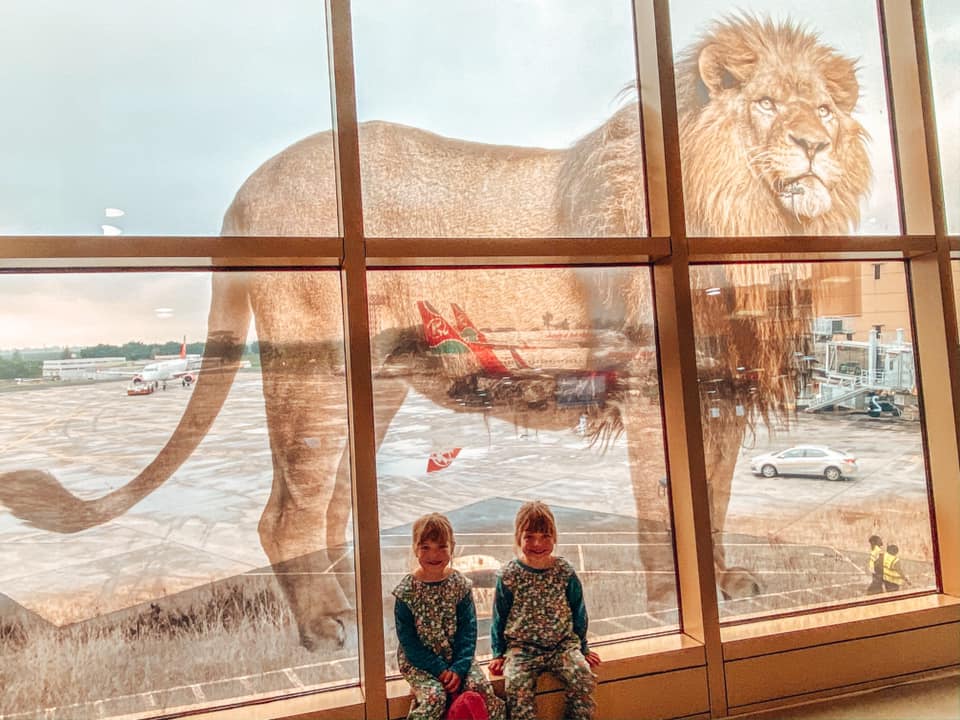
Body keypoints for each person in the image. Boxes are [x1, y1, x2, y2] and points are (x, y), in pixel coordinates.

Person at [489, 501, 601, 720]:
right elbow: (499, 617)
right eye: (529, 536)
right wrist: (498, 653)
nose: (537, 543)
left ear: (554, 537)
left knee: (583, 677)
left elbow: (578, 611)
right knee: (517, 690)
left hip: (562, 646)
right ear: (518, 538)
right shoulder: (510, 575)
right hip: (522, 649)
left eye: (545, 536)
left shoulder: (563, 571)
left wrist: (584, 648)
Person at [392, 513, 504, 720]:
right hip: (421, 663)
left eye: (441, 547)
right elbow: (409, 642)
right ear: (415, 548)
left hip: (457, 658)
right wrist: (440, 670)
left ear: (452, 546)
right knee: (435, 697)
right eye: (425, 547)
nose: (434, 555)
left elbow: (468, 631)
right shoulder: (406, 592)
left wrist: (459, 667)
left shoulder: (459, 585)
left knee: (478, 687)